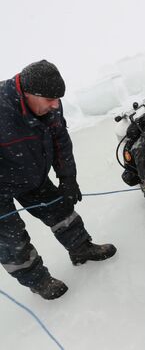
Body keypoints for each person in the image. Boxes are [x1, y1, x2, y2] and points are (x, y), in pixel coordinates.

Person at [0, 60, 117, 300]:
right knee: (11, 240)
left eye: (58, 99)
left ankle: (81, 248)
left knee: (61, 209)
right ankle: (38, 281)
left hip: (31, 173)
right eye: (50, 100)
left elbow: (60, 142)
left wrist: (68, 179)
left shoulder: (51, 106)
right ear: (28, 93)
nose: (55, 105)